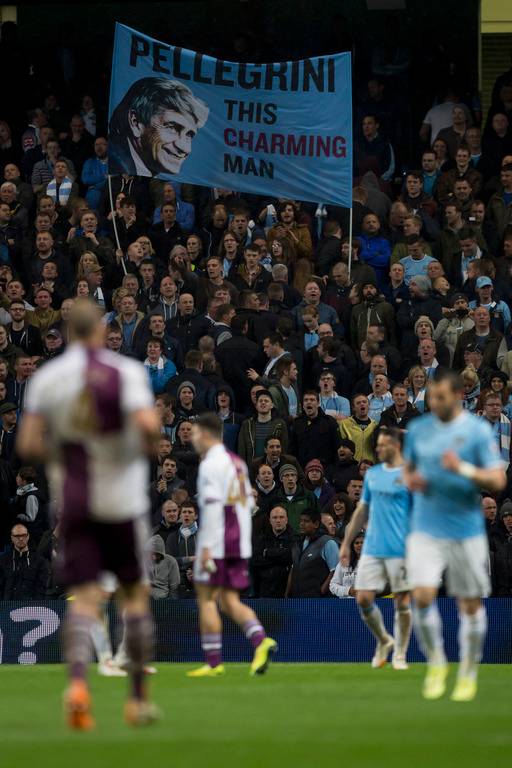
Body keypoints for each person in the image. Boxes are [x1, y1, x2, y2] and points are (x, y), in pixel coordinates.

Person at [16, 299, 161, 728]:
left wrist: (64, 454)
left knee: (83, 600)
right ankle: (137, 701)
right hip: (122, 500)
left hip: (76, 500)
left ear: (66, 332)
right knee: (134, 597)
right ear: (100, 330)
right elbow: (150, 431)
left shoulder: (47, 377)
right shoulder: (127, 373)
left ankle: (77, 684)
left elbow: (26, 445)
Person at [403, 369, 506, 702]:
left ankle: (468, 671)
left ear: (458, 395)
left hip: (465, 528)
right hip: (425, 527)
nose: (434, 402)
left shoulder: (476, 431)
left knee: (470, 605)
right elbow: (408, 468)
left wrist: (461, 468)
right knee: (419, 596)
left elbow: (497, 481)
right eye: (431, 397)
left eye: (441, 397)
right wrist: (411, 479)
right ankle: (436, 663)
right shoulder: (418, 430)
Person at [187, 413, 277, 677]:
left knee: (205, 599)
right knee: (227, 600)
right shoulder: (236, 462)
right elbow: (249, 503)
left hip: (218, 541)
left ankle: (213, 663)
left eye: (194, 434)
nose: (192, 440)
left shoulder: (209, 465)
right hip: (238, 541)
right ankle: (261, 640)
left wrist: (205, 548)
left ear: (205, 434)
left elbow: (214, 507)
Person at [340, 428, 412, 670]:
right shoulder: (372, 475)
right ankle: (384, 639)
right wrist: (347, 541)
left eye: (384, 445)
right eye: (378, 445)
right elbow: (362, 510)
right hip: (372, 547)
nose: (379, 449)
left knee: (402, 601)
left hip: (400, 548)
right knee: (363, 598)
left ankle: (400, 654)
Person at [109, 77, 210, 176]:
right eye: (172, 127)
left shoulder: (138, 167)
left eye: (189, 135)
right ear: (135, 122)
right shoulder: (113, 164)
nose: (185, 148)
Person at [287, 509, 339, 597]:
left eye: (306, 521)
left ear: (316, 524)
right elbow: (293, 570)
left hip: (319, 602)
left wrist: (321, 590)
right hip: (296, 599)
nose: (302, 524)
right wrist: (287, 594)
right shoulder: (297, 543)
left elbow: (335, 570)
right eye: (300, 521)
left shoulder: (327, 542)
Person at [251, 506, 294, 598]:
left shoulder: (294, 539)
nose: (278, 520)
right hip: (264, 590)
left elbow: (291, 557)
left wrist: (267, 553)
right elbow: (255, 560)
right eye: (275, 517)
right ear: (270, 521)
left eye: (281, 517)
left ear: (286, 520)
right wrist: (280, 556)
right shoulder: (262, 539)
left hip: (286, 592)